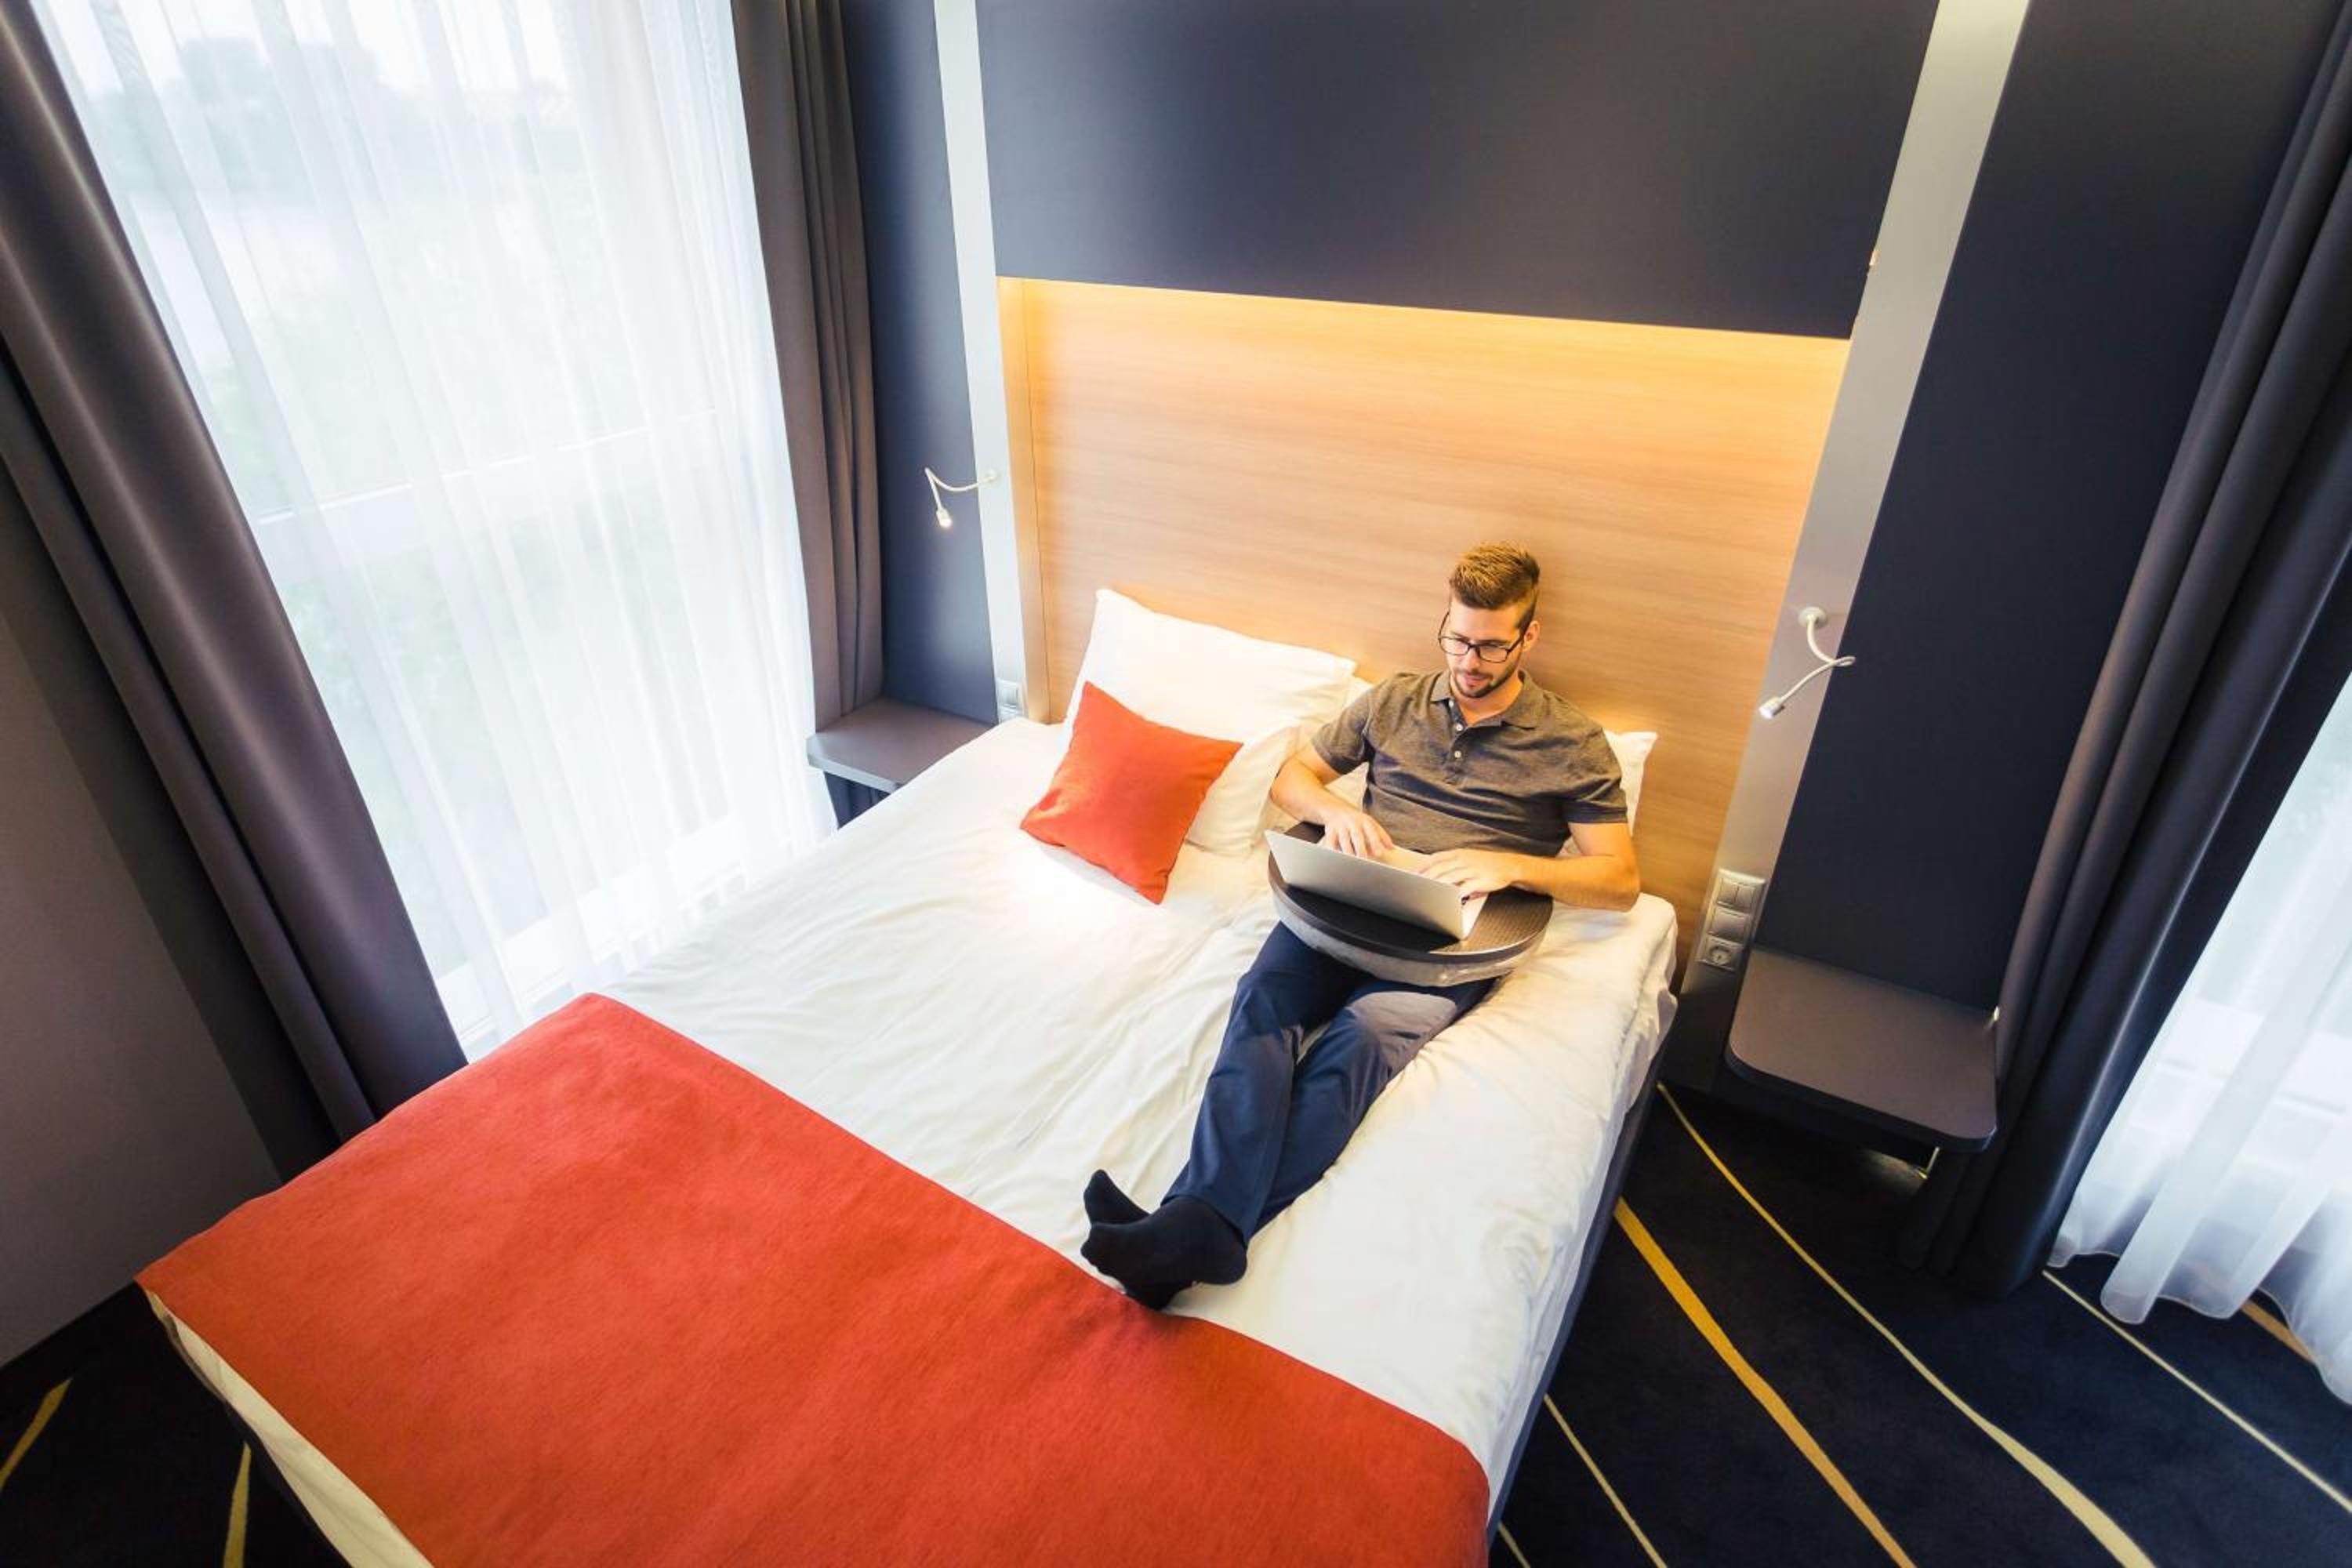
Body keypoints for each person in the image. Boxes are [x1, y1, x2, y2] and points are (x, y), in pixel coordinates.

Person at [1080, 543, 1642, 1307]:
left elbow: (1618, 881)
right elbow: (1293, 776)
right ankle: (1194, 1231)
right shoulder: (1395, 700)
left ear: (1528, 638)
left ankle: (1188, 1229)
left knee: (1364, 1037)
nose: (1467, 662)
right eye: (1456, 638)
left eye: (1489, 646)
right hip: (1349, 903)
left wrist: (1509, 864)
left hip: (1454, 941)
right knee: (1262, 1002)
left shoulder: (1571, 743)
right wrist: (1335, 811)